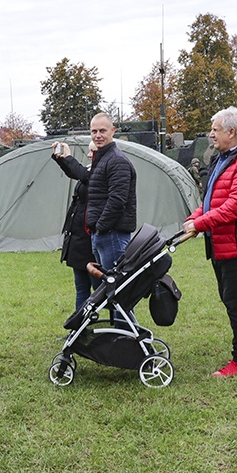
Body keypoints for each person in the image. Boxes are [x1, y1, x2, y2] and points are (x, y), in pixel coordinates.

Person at [181, 106, 237, 377]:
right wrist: (195, 217)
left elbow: (236, 205)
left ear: (232, 132)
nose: (211, 135)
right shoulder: (223, 158)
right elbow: (211, 199)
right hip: (221, 241)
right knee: (235, 299)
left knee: (235, 300)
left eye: (215, 130)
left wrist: (200, 223)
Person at [86, 113, 137, 323]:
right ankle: (120, 340)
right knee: (111, 293)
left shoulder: (117, 161)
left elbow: (117, 200)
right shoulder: (103, 158)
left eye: (102, 131)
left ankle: (131, 341)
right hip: (104, 235)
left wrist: (101, 227)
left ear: (113, 131)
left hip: (112, 235)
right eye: (94, 131)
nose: (98, 135)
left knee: (118, 294)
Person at [52, 140, 100, 310]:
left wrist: (69, 158)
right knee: (81, 288)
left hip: (90, 238)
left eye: (92, 152)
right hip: (78, 237)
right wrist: (62, 159)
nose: (88, 155)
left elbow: (85, 177)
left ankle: (119, 325)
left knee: (99, 290)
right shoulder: (88, 170)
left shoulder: (101, 172)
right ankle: (79, 329)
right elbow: (78, 173)